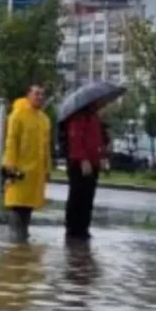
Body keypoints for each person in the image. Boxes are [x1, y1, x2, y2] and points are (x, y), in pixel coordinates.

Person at [2, 84, 52, 241]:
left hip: (35, 173)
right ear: (28, 95)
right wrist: (10, 168)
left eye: (42, 94)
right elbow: (11, 143)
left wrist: (47, 169)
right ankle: (15, 244)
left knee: (28, 208)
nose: (40, 97)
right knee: (17, 206)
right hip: (19, 170)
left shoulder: (44, 119)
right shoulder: (17, 115)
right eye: (36, 94)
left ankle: (22, 240)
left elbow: (46, 147)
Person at [64, 100, 108, 239]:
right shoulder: (78, 118)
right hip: (79, 164)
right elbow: (76, 139)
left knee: (88, 196)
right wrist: (82, 159)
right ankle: (73, 228)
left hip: (93, 163)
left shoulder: (94, 118)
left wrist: (102, 157)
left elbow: (98, 140)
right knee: (77, 195)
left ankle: (83, 227)